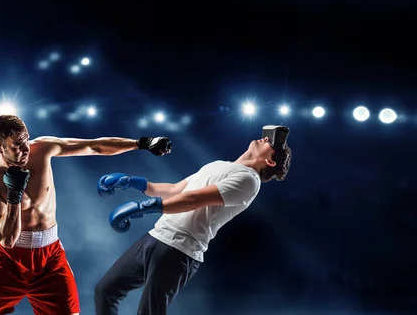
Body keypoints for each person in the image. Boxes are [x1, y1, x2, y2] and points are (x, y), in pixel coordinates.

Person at [0, 114, 173, 315]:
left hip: (49, 257)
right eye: (17, 146)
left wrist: (142, 143)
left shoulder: (42, 149)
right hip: (9, 260)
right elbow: (7, 239)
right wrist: (14, 197)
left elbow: (93, 146)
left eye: (26, 141)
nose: (25, 149)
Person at [94, 125, 292, 315]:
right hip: (155, 236)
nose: (264, 138)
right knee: (105, 290)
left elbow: (194, 200)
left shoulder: (249, 180)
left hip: (180, 249)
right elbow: (174, 190)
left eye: (270, 143)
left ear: (271, 162)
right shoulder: (219, 165)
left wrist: (142, 207)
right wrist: (129, 181)